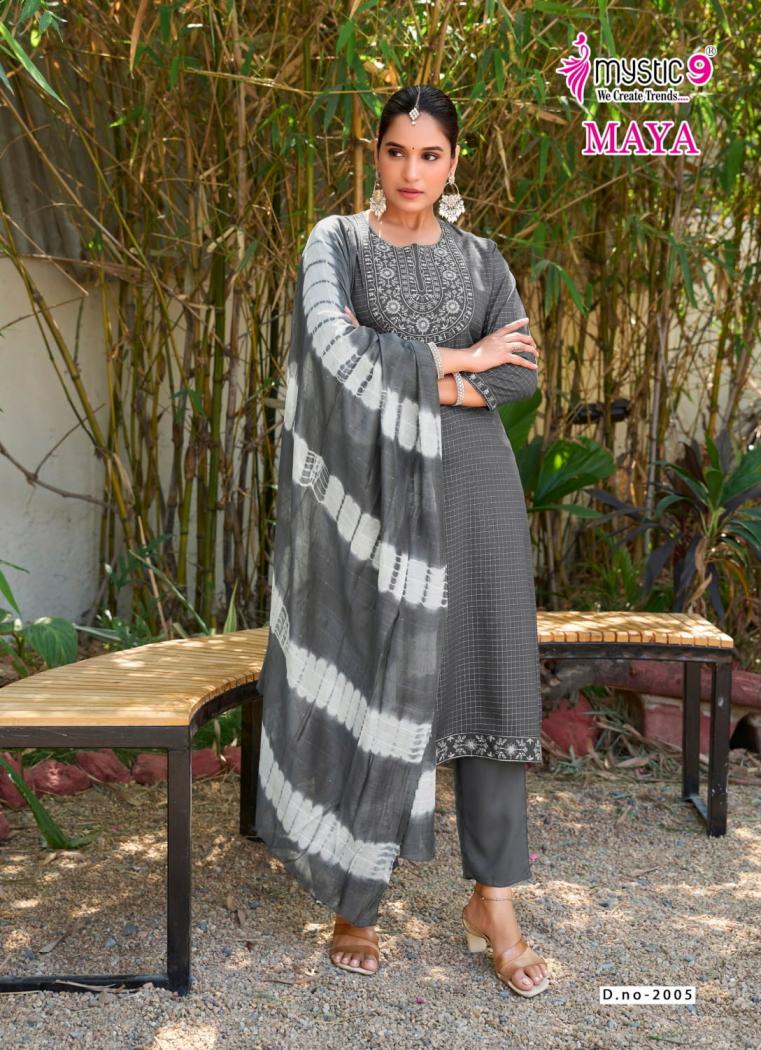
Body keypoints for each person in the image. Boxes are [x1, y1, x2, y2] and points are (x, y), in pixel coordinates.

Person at [254, 83, 549, 998]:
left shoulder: (481, 259)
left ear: (453, 163)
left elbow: (520, 375)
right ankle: (357, 898)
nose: (411, 171)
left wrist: (422, 382)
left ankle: (493, 902)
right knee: (377, 673)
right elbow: (330, 351)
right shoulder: (335, 244)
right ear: (373, 154)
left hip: (476, 495)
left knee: (489, 687)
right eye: (395, 151)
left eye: (429, 155)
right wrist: (460, 360)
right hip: (372, 504)